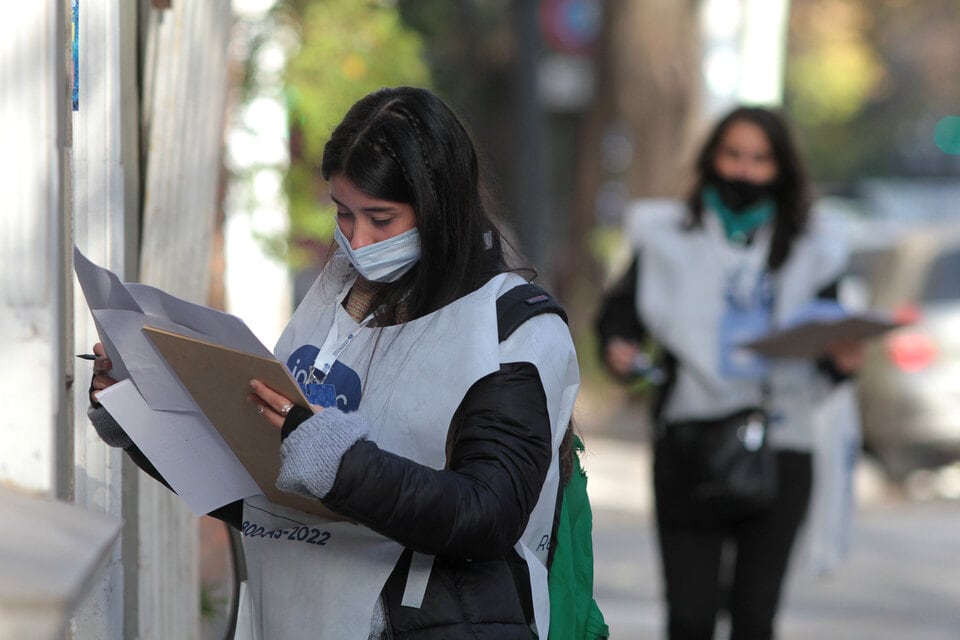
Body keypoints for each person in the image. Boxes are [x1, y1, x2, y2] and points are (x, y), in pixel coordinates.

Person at [86, 86, 584, 639]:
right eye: (344, 213)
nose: (358, 240)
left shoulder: (509, 328)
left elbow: (489, 513)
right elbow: (264, 495)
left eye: (381, 218)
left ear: (442, 210)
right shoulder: (339, 298)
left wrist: (342, 466)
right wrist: (139, 414)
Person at [595, 106, 863, 640]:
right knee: (689, 617)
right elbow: (619, 318)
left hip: (783, 442)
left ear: (782, 168)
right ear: (711, 159)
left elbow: (831, 344)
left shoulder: (815, 250)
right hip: (690, 440)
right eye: (733, 155)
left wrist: (843, 361)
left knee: (755, 617)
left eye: (761, 159)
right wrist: (619, 351)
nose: (745, 170)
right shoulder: (666, 237)